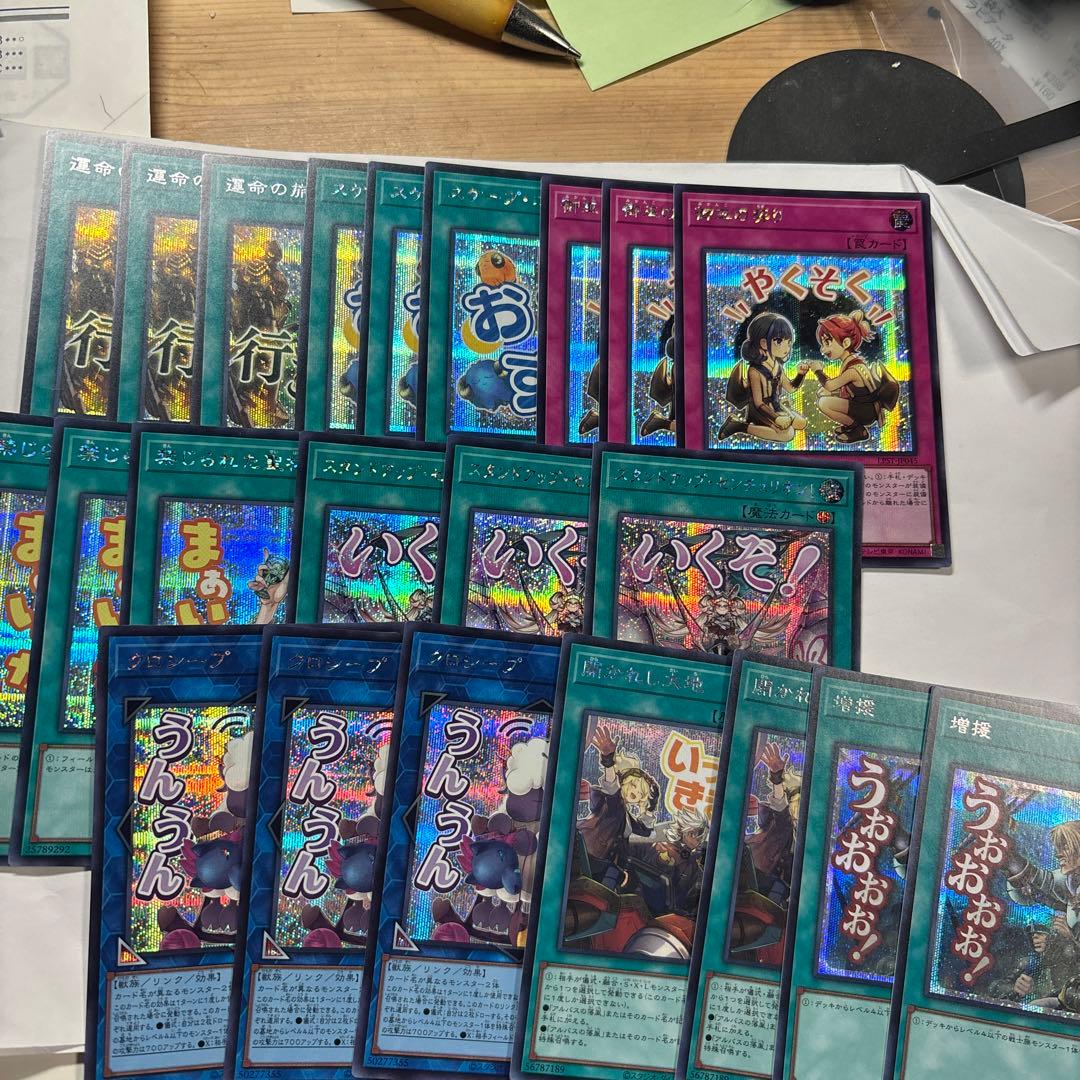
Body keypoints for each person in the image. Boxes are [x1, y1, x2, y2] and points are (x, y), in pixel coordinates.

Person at [806, 310, 897, 443]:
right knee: (824, 394)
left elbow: (830, 385)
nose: (823, 350)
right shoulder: (850, 362)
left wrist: (818, 371)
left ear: (846, 343)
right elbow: (852, 390)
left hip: (866, 411)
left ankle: (858, 429)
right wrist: (832, 392)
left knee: (824, 403)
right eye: (822, 344)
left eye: (827, 343)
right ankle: (851, 425)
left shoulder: (853, 369)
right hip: (862, 406)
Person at [716, 312, 808, 443]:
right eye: (779, 341)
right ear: (764, 343)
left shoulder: (777, 366)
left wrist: (800, 374)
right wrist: (776, 418)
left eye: (789, 342)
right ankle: (739, 426)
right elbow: (758, 403)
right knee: (788, 435)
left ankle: (781, 413)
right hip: (760, 411)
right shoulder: (754, 371)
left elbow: (790, 388)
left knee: (801, 423)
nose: (787, 347)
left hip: (776, 405)